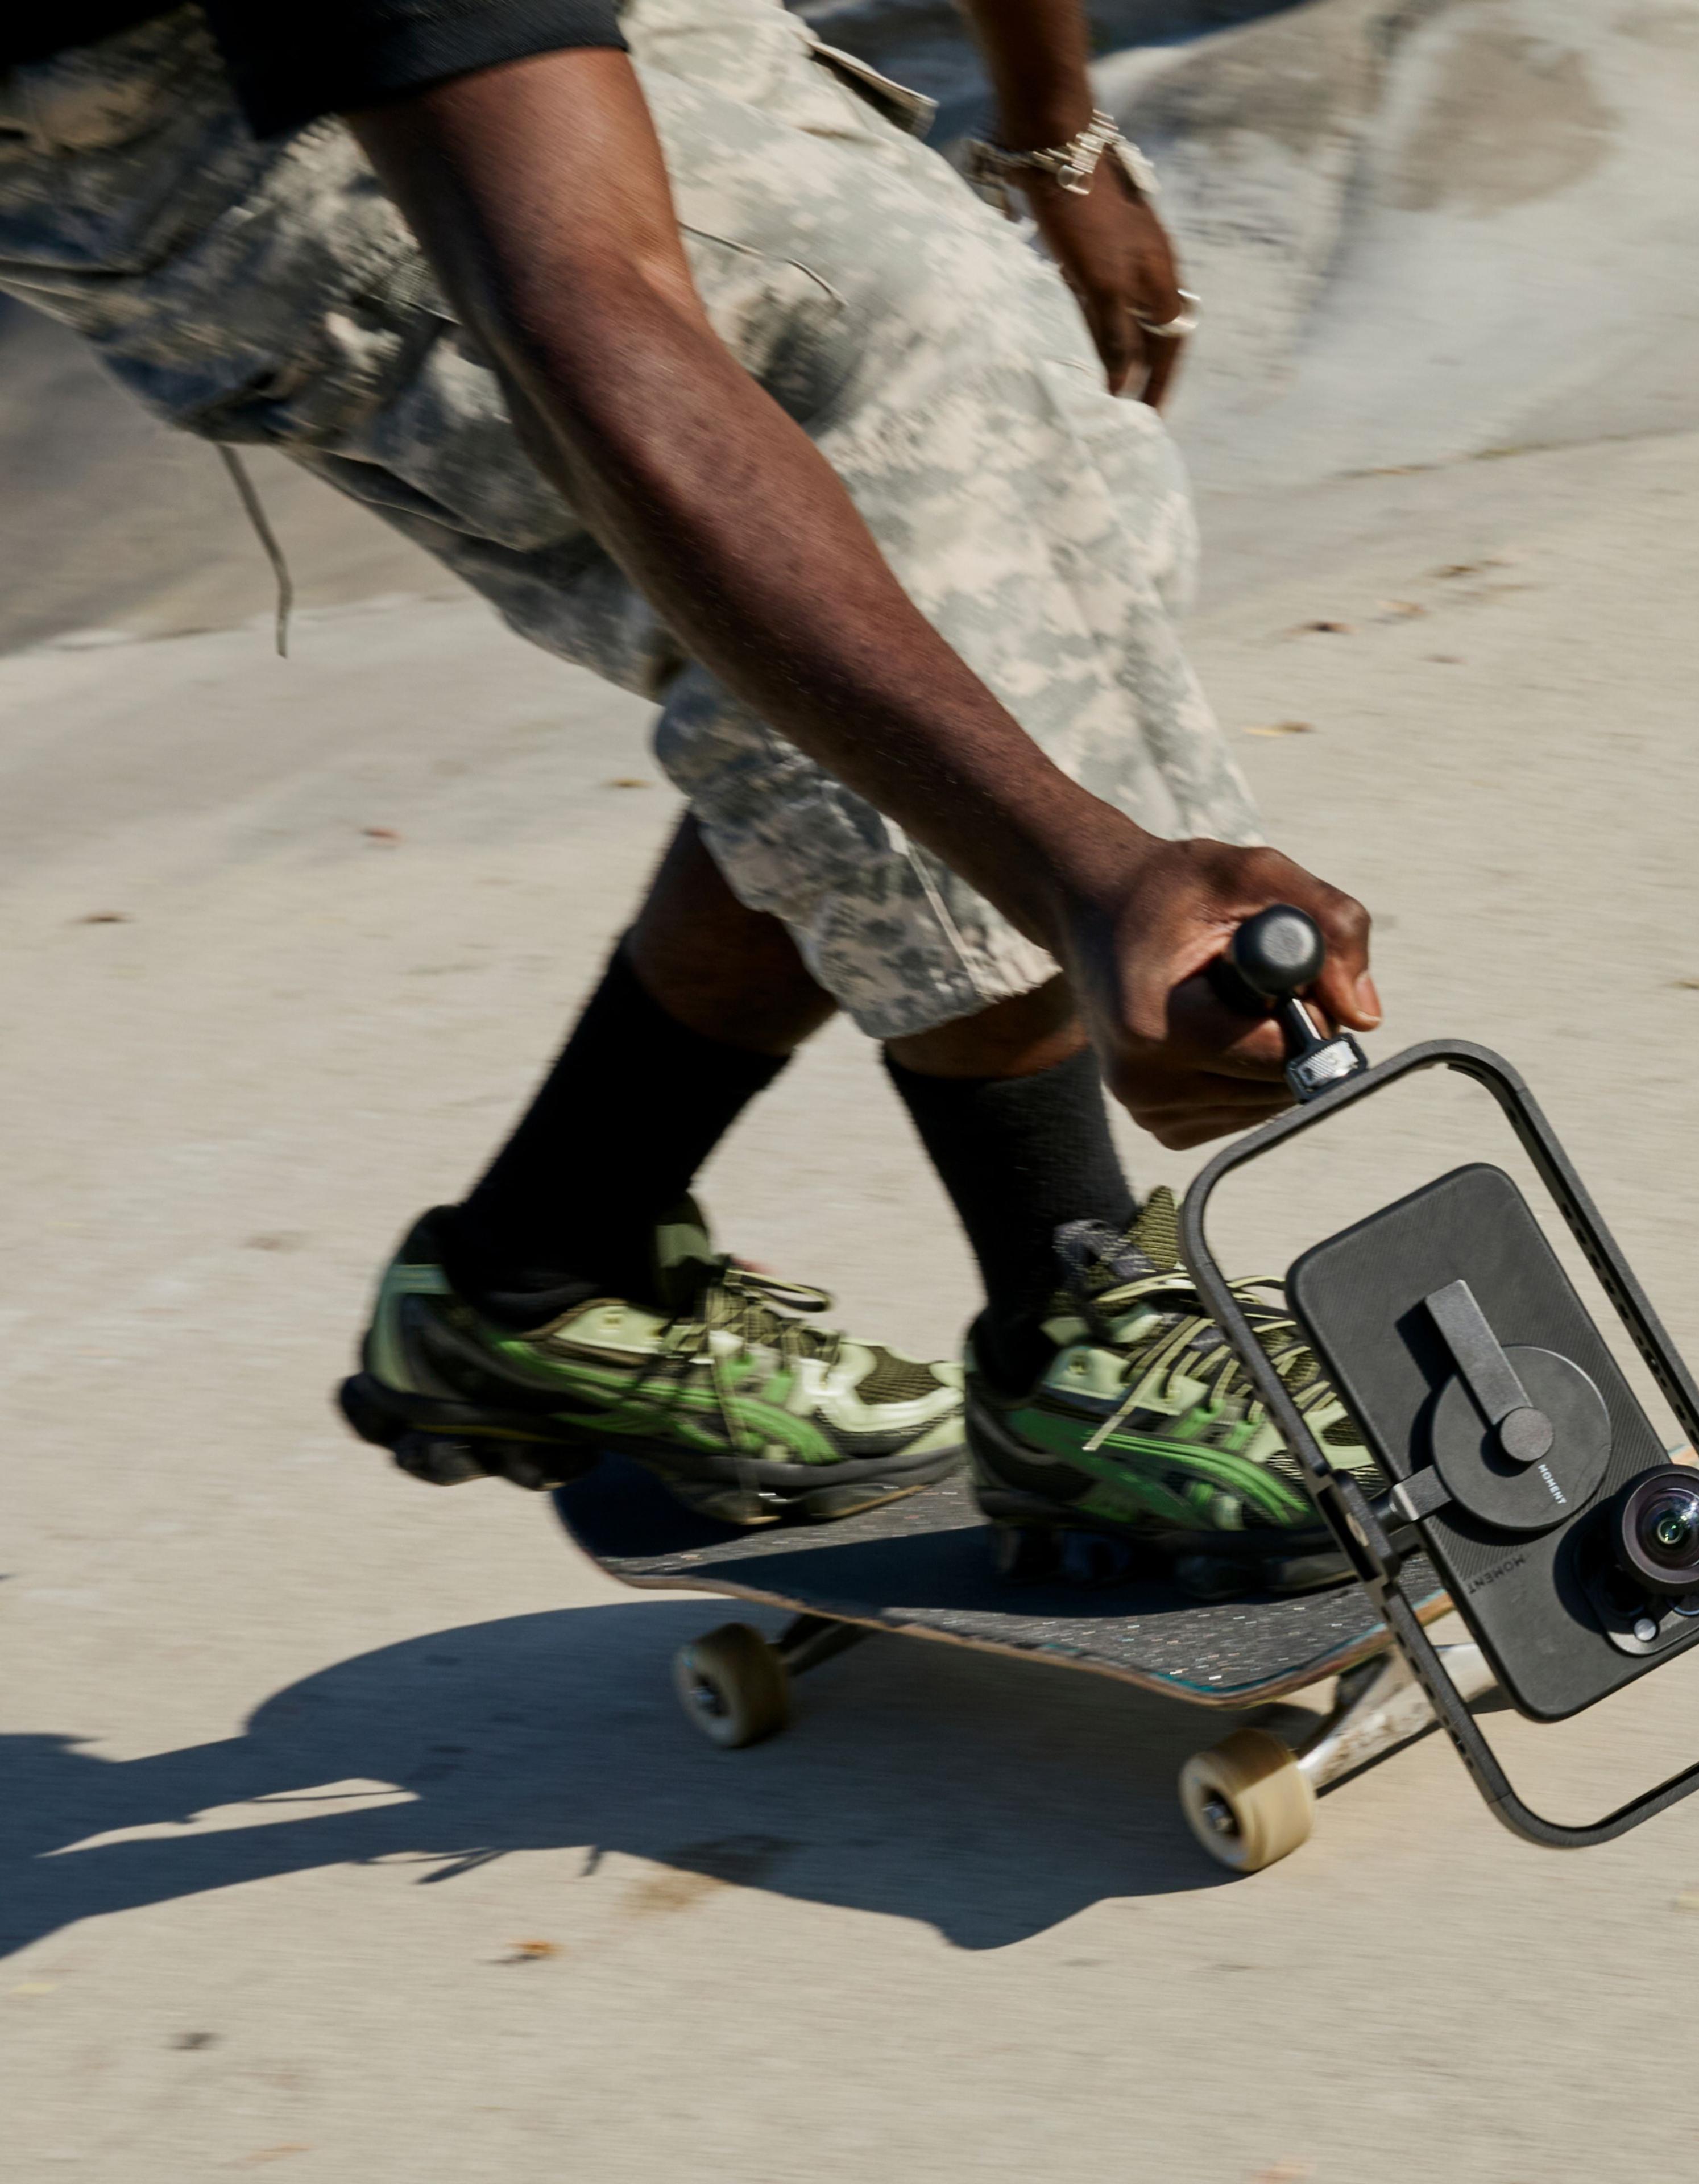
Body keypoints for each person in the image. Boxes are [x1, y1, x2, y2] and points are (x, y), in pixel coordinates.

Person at [1, 0, 1386, 1593]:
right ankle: (1070, 1319)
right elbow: (583, 307)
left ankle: (546, 1266)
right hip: (178, 103)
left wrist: (1052, 132)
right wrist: (1079, 874)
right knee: (884, 383)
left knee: (1013, 430)